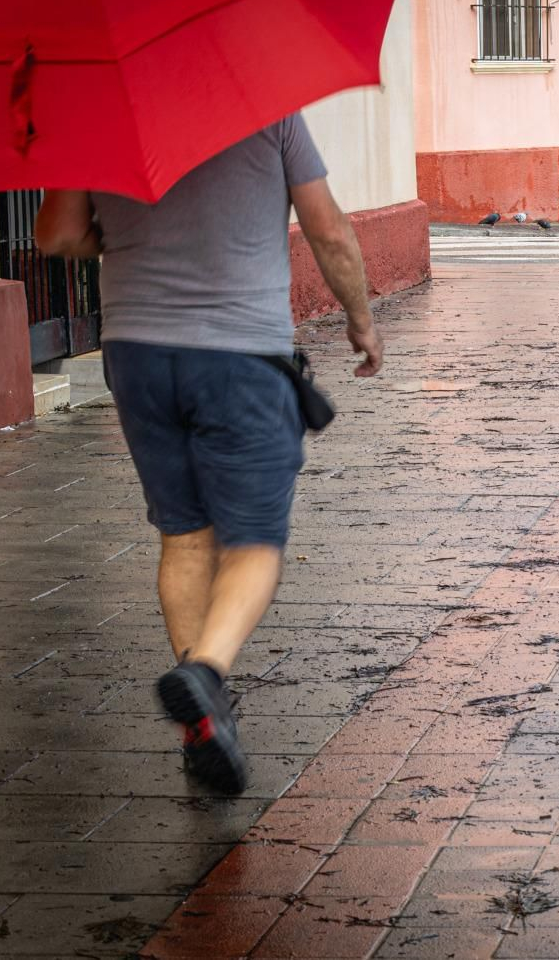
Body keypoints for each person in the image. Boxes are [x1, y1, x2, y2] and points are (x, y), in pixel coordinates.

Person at [35, 115, 382, 794]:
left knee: (184, 537)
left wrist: (129, 238)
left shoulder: (99, 113)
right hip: (239, 355)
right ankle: (207, 673)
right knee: (253, 539)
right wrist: (361, 318)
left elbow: (56, 233)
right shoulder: (269, 109)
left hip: (136, 352)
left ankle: (203, 729)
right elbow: (328, 227)